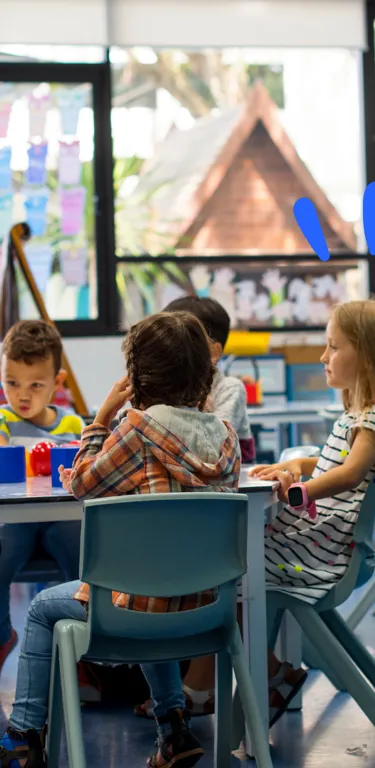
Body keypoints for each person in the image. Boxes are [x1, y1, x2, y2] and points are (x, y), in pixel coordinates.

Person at [0, 311, 240, 768]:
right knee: (151, 583)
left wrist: (103, 416)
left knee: (43, 608)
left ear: (137, 377)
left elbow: (84, 483)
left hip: (140, 610)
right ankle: (173, 728)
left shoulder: (137, 430)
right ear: (205, 374)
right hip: (208, 609)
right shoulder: (224, 437)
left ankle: (22, 735)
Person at [0, 320, 84, 675]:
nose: (22, 395)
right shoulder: (2, 422)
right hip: (15, 527)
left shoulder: (72, 426)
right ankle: (2, 635)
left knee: (83, 550)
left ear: (57, 383)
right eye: (12, 383)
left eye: (36, 385)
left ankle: (83, 639)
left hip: (60, 523)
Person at [163, 296, 254, 463]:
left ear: (214, 351)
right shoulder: (169, 386)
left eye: (180, 343)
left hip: (234, 480)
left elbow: (216, 443)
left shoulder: (229, 388)